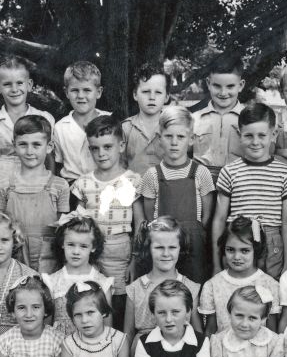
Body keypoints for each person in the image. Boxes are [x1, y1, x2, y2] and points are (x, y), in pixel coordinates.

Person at [211, 103, 287, 280]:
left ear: (273, 134)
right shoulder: (229, 171)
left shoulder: (285, 173)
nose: (255, 142)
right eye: (248, 136)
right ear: (239, 135)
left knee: (270, 294)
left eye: (262, 135)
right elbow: (219, 219)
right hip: (238, 241)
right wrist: (217, 263)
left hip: (272, 243)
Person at [71, 114, 143, 325]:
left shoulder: (132, 180)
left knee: (118, 301)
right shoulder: (83, 183)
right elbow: (78, 225)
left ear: (121, 146)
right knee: (91, 297)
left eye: (107, 147)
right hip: (90, 252)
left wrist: (134, 259)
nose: (101, 154)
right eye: (95, 148)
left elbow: (139, 223)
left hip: (120, 250)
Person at [139, 105, 216, 284]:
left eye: (180, 137)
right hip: (163, 245)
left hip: (194, 246)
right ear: (159, 138)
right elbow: (151, 217)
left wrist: (193, 232)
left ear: (191, 139)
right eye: (168, 136)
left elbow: (206, 216)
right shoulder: (152, 175)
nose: (174, 142)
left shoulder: (200, 172)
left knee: (194, 287)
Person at [0, 114, 70, 272]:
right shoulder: (5, 186)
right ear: (14, 145)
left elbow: (63, 230)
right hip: (15, 254)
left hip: (48, 256)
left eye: (36, 145)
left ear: (49, 147)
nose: (29, 151)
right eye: (23, 144)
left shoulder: (59, 185)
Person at [199, 216, 281, 334]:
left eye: (245, 251)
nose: (237, 257)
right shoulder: (212, 285)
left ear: (256, 250)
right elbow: (211, 330)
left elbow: (272, 332)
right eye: (231, 250)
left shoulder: (270, 285)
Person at [125, 217, 202, 341]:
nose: (166, 253)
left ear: (180, 248)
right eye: (159, 248)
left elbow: (198, 335)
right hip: (142, 355)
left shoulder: (190, 287)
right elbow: (127, 335)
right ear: (148, 248)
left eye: (172, 247)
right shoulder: (135, 289)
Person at [0, 55, 55, 179]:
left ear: (29, 85)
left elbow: (49, 157)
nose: (14, 89)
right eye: (7, 84)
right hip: (3, 181)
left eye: (20, 83)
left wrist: (51, 185)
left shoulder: (44, 118)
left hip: (36, 182)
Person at [42, 214, 114, 336]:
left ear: (93, 247)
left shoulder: (102, 283)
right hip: (60, 347)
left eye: (83, 246)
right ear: (62, 243)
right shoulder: (52, 281)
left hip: (92, 350)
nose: (76, 252)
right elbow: (46, 328)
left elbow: (107, 328)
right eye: (71, 244)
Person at [52, 61, 111, 184]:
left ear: (98, 92)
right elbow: (58, 164)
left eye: (87, 90)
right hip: (72, 186)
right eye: (74, 90)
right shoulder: (60, 128)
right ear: (66, 92)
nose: (80, 95)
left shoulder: (110, 120)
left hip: (105, 184)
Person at [190, 54, 246, 182]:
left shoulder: (250, 119)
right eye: (217, 86)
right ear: (208, 83)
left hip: (238, 182)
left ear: (241, 85)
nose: (223, 93)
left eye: (230, 86)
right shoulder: (195, 119)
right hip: (201, 183)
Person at [121, 63, 170, 175]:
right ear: (135, 95)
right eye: (145, 91)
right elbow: (119, 166)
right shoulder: (125, 128)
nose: (152, 97)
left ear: (166, 97)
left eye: (158, 92)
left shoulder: (172, 127)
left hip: (166, 189)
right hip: (134, 189)